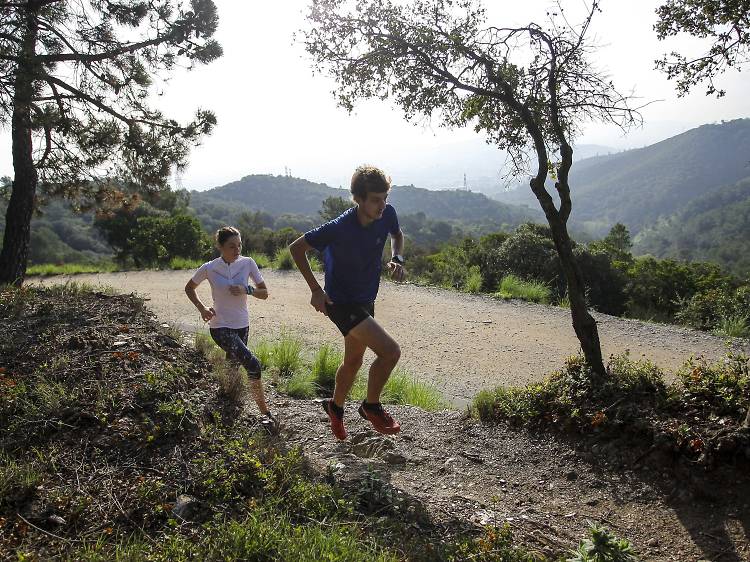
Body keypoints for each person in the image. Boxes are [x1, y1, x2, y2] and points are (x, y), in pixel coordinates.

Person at [289, 165, 406, 440]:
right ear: (359, 199)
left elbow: (397, 235)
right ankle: (371, 406)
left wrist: (397, 258)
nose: (382, 205)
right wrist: (316, 290)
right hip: (340, 302)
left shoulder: (387, 213)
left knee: (353, 361)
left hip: (366, 299)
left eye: (385, 197)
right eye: (376, 199)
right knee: (390, 352)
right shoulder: (339, 227)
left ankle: (335, 408)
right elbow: (296, 248)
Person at [185, 226, 277, 431]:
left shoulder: (248, 263)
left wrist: (247, 289)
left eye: (239, 245)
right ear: (220, 246)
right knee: (252, 364)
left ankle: (226, 404)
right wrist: (202, 308)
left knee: (233, 367)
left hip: (242, 324)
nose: (237, 250)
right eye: (231, 246)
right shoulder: (209, 268)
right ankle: (265, 413)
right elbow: (189, 288)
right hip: (219, 326)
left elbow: (264, 293)